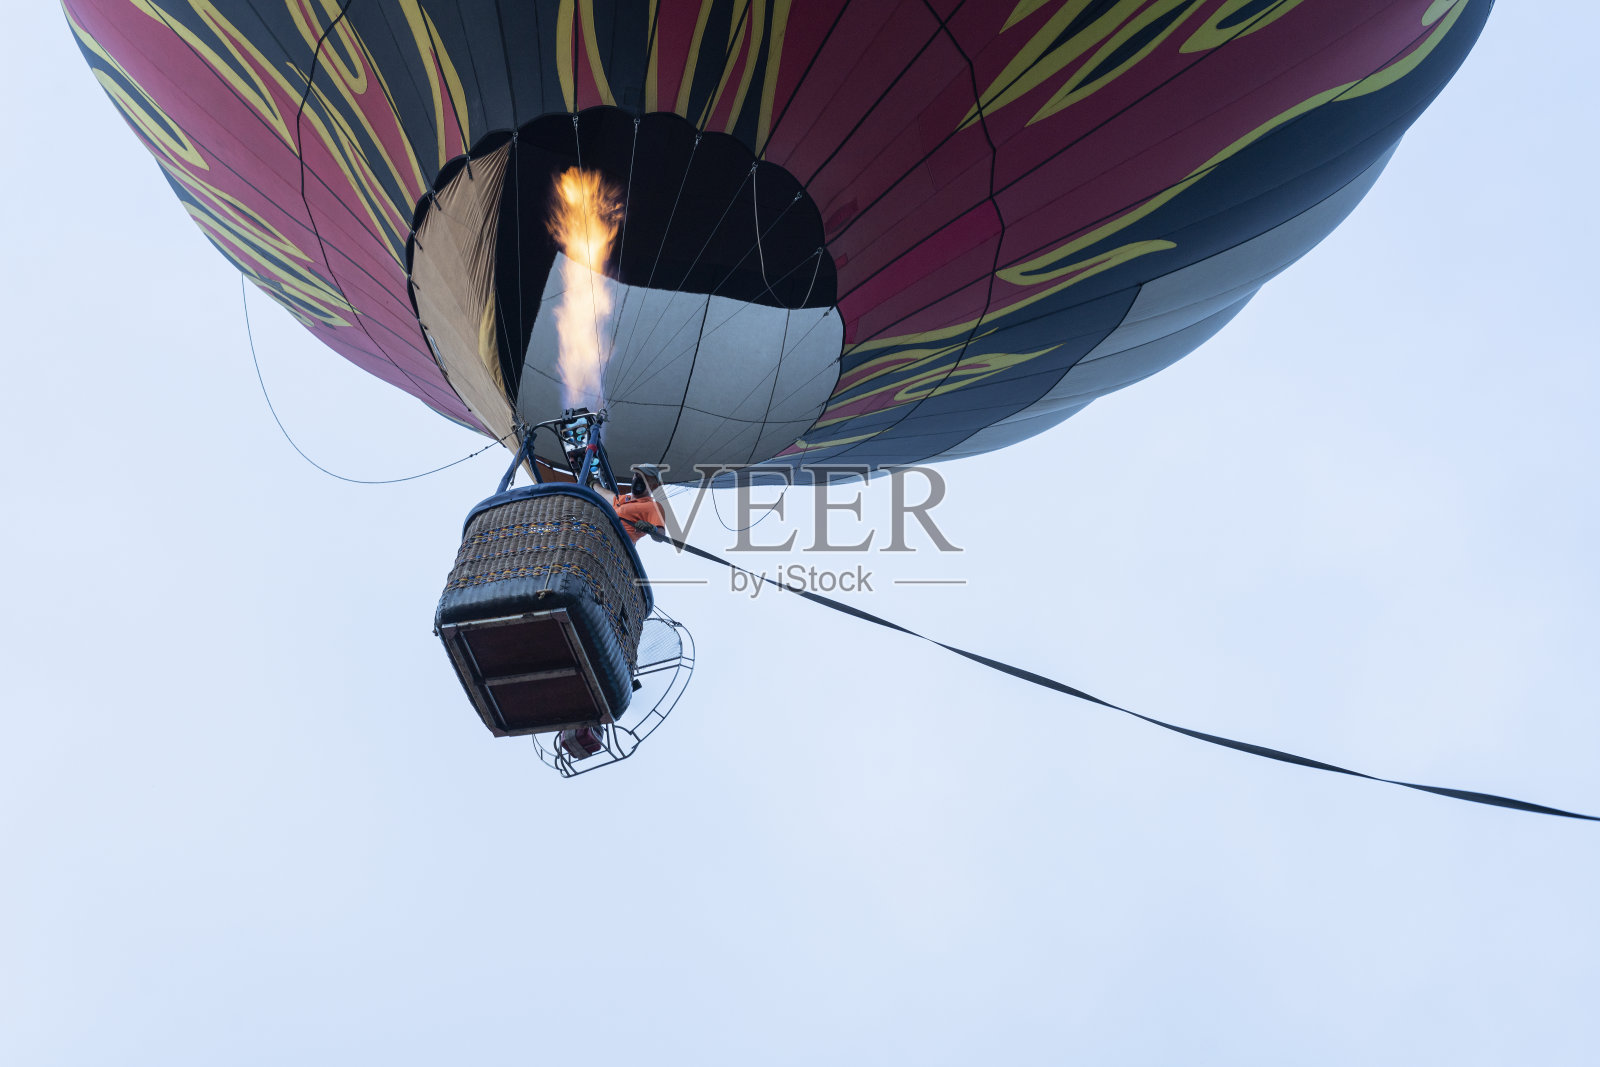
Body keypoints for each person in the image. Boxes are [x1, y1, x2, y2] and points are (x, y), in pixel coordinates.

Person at [609, 463, 665, 544]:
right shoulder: (623, 499)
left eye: (644, 477)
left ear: (654, 486)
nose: (638, 479)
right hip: (598, 534)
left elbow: (661, 536)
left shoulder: (653, 506)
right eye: (637, 475)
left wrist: (653, 529)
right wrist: (592, 483)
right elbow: (606, 495)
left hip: (615, 545)